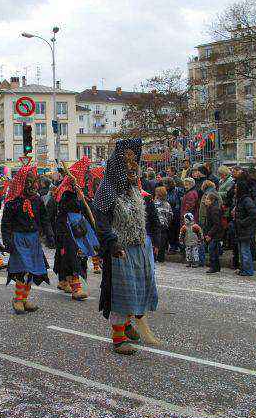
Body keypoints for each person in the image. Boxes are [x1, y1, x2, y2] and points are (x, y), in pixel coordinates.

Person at [93, 138, 162, 356]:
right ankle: (118, 337)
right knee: (122, 294)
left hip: (139, 247)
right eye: (129, 169)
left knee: (138, 290)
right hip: (120, 250)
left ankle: (128, 324)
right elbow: (101, 223)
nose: (134, 173)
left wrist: (156, 240)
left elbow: (149, 218)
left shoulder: (135, 190)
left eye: (135, 169)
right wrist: (112, 243)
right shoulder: (106, 191)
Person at [1, 165, 55, 314]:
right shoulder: (13, 202)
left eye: (34, 182)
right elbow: (6, 223)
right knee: (22, 269)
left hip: (34, 239)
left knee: (32, 270)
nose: (33, 185)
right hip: (19, 239)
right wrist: (7, 240)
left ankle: (24, 298)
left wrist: (49, 234)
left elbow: (44, 219)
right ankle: (17, 299)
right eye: (29, 182)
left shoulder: (37, 200)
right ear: (22, 183)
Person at [52, 156, 98, 300]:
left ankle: (64, 281)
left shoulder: (77, 191)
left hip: (79, 226)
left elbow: (83, 209)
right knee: (73, 255)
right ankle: (76, 288)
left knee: (76, 254)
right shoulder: (65, 193)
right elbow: (60, 212)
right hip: (69, 228)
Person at [233, 176, 256, 276]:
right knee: (242, 251)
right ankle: (244, 269)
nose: (235, 189)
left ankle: (248, 270)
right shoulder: (241, 199)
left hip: (245, 229)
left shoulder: (246, 200)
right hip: (241, 229)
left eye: (236, 188)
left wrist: (242, 222)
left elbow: (253, 214)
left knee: (245, 251)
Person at [202, 193, 224, 274]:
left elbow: (216, 224)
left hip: (215, 233)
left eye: (207, 199)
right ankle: (216, 266)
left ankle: (214, 266)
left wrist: (209, 234)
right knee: (213, 249)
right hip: (214, 233)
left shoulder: (214, 209)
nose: (205, 201)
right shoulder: (210, 208)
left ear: (212, 201)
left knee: (212, 250)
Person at [153, 186, 172, 263]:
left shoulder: (154, 203)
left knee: (156, 241)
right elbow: (170, 215)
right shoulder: (167, 204)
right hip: (164, 225)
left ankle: (154, 257)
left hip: (156, 224)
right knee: (163, 241)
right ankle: (161, 257)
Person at [164, 177, 183, 253]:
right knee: (171, 231)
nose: (164, 185)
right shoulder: (167, 191)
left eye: (165, 183)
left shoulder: (177, 191)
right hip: (170, 212)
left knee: (175, 230)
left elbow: (177, 201)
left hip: (175, 212)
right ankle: (173, 246)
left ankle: (175, 246)